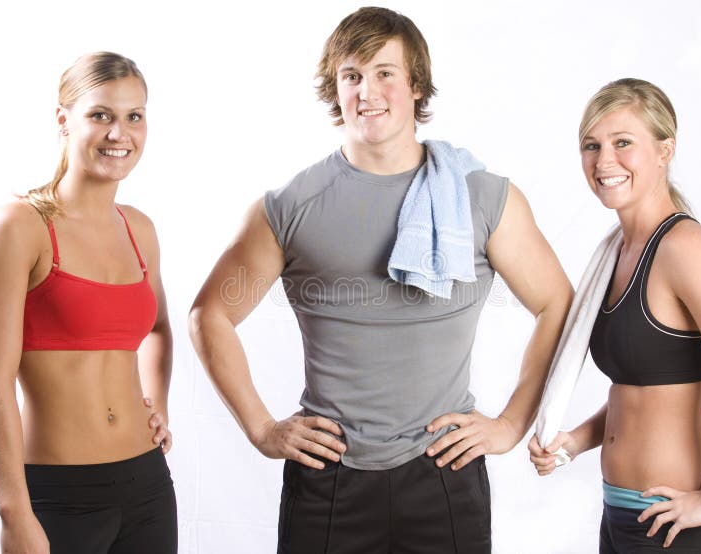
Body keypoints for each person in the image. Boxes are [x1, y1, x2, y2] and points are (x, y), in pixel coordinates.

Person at [189, 7, 572, 553]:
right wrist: (261, 428)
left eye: (385, 73)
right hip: (330, 473)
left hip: (443, 467)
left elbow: (557, 302)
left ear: (416, 85)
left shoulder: (482, 197)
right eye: (352, 76)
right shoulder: (290, 206)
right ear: (335, 88)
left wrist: (511, 424)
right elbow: (211, 314)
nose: (368, 91)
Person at [528, 78, 701, 552]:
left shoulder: (683, 247)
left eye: (623, 143)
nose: (603, 161)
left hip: (674, 529)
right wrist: (575, 441)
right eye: (591, 146)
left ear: (664, 150)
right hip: (618, 516)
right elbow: (637, 391)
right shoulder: (616, 252)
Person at [0, 52, 177, 554]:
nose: (119, 133)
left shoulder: (140, 229)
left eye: (134, 116)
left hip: (148, 485)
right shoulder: (18, 227)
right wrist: (14, 513)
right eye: (100, 115)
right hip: (57, 497)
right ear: (63, 120)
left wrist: (160, 406)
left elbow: (158, 328)